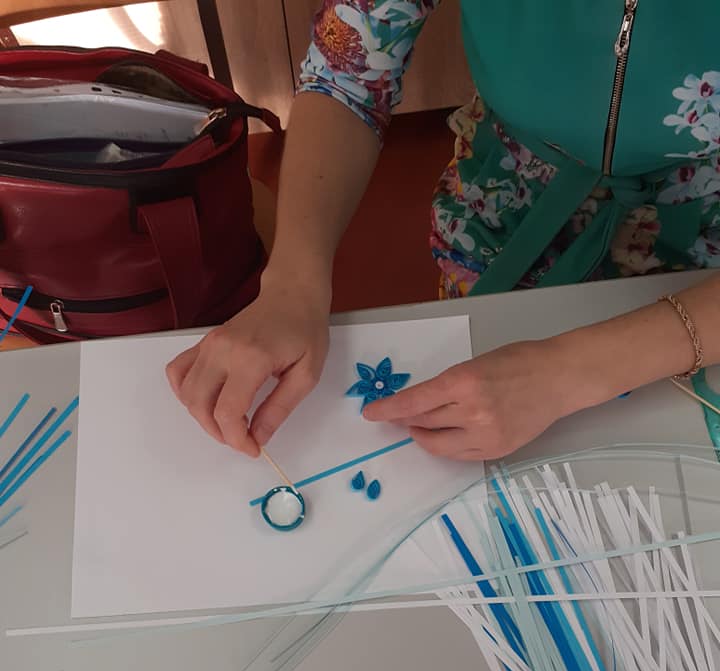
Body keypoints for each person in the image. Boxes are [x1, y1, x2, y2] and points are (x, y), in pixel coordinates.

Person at [167, 1, 720, 462]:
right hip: (500, 215)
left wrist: (569, 374)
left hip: (699, 263)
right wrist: (292, 285)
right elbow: (345, 76)